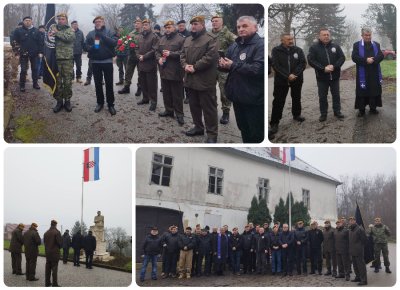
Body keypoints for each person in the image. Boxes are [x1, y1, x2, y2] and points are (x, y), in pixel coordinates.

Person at [220, 16, 264, 143]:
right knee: (244, 129)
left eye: (245, 26)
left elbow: (258, 69)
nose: (240, 29)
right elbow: (228, 66)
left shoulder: (260, 44)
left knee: (256, 133)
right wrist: (222, 65)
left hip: (254, 99)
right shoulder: (235, 45)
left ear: (255, 28)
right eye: (238, 27)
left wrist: (233, 65)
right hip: (237, 97)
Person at [181, 15, 219, 143]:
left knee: (209, 108)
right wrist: (185, 65)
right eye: (192, 24)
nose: (193, 26)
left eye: (196, 24)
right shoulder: (187, 40)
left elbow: (210, 57)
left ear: (202, 25)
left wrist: (195, 67)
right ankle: (198, 127)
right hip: (190, 79)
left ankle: (212, 134)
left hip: (205, 80)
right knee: (194, 106)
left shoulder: (211, 39)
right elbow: (182, 55)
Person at [269, 33, 306, 138]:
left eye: (291, 39)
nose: (291, 41)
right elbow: (275, 65)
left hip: (296, 79)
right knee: (278, 101)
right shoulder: (276, 50)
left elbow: (302, 63)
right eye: (288, 39)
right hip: (281, 81)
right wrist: (287, 75)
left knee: (296, 98)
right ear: (282, 40)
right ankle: (274, 123)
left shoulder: (298, 50)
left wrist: (295, 74)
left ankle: (296, 114)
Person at [307, 28, 345, 122]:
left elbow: (342, 57)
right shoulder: (314, 47)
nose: (326, 36)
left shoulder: (335, 46)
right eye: (324, 35)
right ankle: (323, 114)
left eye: (328, 34)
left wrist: (335, 66)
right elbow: (311, 60)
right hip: (322, 77)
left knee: (336, 95)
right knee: (323, 96)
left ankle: (337, 112)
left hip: (335, 76)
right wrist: (323, 68)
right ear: (319, 36)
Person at [85, 16, 118, 115]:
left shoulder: (109, 32)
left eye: (100, 21)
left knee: (109, 84)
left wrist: (102, 35)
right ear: (94, 23)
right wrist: (92, 48)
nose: (98, 23)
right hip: (95, 62)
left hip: (107, 61)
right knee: (98, 84)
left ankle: (111, 104)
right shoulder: (91, 34)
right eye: (96, 22)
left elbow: (114, 43)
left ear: (103, 22)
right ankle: (100, 103)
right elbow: (85, 46)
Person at [155, 20, 185, 125]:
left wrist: (171, 54)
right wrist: (158, 58)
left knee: (177, 95)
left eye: (169, 27)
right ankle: (168, 110)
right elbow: (157, 51)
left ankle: (180, 114)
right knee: (166, 93)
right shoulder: (162, 39)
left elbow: (183, 53)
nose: (167, 29)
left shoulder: (180, 39)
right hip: (164, 70)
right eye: (166, 28)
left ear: (174, 28)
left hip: (176, 71)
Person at [210, 14, 237, 125]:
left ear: (222, 22)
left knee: (224, 91)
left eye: (216, 21)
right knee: (210, 90)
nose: (214, 23)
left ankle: (226, 112)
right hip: (210, 68)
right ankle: (212, 110)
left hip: (223, 68)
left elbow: (238, 47)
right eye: (212, 21)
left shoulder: (228, 34)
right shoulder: (209, 34)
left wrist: (229, 60)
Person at [352, 28, 384, 117]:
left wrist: (374, 60)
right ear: (362, 35)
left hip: (374, 72)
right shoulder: (357, 45)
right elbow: (354, 57)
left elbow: (381, 55)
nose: (368, 37)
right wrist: (366, 60)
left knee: (373, 90)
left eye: (369, 35)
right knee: (362, 91)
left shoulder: (376, 45)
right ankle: (361, 110)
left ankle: (373, 108)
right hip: (363, 73)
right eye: (366, 35)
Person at [50, 13, 75, 113]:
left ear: (66, 20)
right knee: (58, 81)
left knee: (68, 81)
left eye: (63, 19)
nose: (61, 20)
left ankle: (67, 101)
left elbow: (69, 38)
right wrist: (53, 32)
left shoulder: (70, 30)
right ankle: (59, 101)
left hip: (67, 59)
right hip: (55, 59)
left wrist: (57, 33)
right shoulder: (53, 29)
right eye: (59, 19)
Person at [12, 16, 43, 92]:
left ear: (32, 21)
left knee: (35, 69)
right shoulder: (18, 31)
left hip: (34, 54)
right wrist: (17, 52)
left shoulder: (36, 31)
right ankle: (22, 85)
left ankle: (35, 84)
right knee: (23, 70)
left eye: (29, 20)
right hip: (23, 53)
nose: (27, 22)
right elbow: (14, 41)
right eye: (26, 20)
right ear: (23, 22)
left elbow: (40, 43)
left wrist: (40, 52)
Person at [136, 19, 159, 111]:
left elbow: (154, 50)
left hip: (150, 64)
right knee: (143, 83)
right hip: (141, 63)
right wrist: (138, 56)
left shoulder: (154, 37)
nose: (144, 26)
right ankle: (145, 98)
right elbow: (136, 48)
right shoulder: (140, 36)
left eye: (146, 24)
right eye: (144, 25)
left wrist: (144, 57)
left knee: (152, 84)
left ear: (150, 25)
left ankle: (153, 101)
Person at [118, 18, 142, 96]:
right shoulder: (131, 33)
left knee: (140, 73)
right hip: (131, 55)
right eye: (135, 23)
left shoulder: (144, 33)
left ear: (141, 24)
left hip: (140, 56)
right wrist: (125, 46)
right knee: (128, 72)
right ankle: (126, 87)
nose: (136, 24)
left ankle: (139, 88)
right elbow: (126, 42)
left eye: (138, 23)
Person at [348, 216, 368, 285]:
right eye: (350, 220)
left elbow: (364, 240)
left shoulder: (359, 229)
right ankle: (358, 277)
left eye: (352, 220)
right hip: (352, 251)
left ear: (355, 221)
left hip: (359, 251)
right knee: (355, 265)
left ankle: (364, 280)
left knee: (361, 266)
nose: (351, 221)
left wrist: (359, 247)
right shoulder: (350, 229)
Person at [43, 220, 63, 287]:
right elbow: (60, 243)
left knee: (47, 269)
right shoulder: (57, 232)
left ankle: (47, 283)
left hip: (47, 253)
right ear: (55, 225)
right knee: (54, 269)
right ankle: (54, 284)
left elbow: (45, 243)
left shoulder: (46, 233)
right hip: (54, 254)